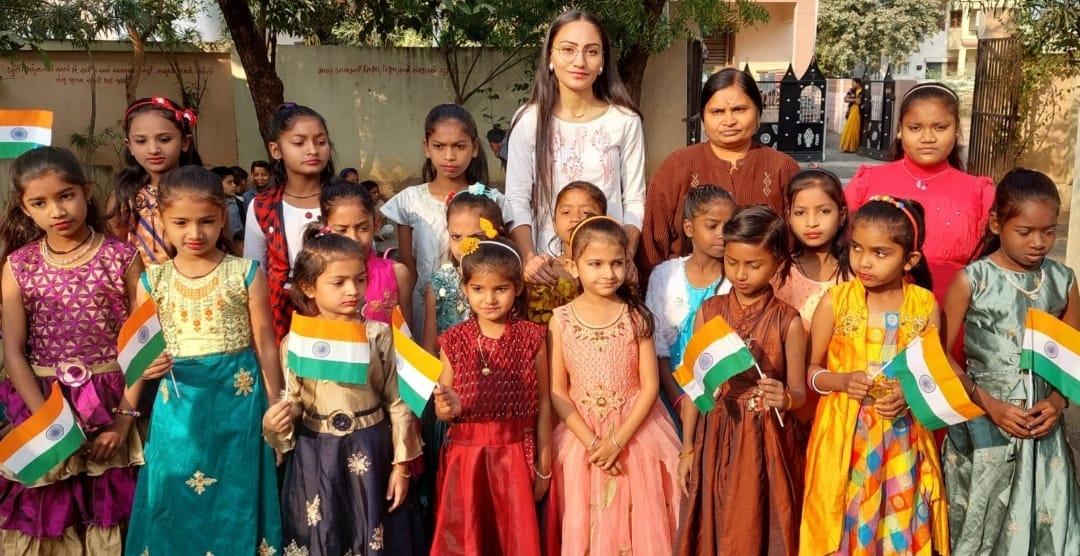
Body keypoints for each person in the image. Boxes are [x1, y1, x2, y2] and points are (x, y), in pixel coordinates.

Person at [124, 166, 282, 554]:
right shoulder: (152, 281)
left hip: (238, 401)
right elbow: (139, 350)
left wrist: (276, 408)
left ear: (224, 217)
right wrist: (142, 378)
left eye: (207, 221)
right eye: (181, 222)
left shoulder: (245, 272)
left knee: (236, 490)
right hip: (177, 406)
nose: (194, 234)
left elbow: (265, 343)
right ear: (162, 219)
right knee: (174, 491)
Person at [0, 147, 144, 553]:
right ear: (25, 210)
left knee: (111, 505)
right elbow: (13, 351)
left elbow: (144, 347)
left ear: (86, 192)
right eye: (39, 203)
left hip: (114, 399)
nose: (56, 210)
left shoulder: (122, 257)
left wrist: (124, 420)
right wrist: (47, 420)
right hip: (43, 400)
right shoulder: (18, 265)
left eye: (66, 195)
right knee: (49, 508)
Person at [942, 169, 1080, 555]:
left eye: (1049, 231)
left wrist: (1057, 403)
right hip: (985, 421)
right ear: (996, 224)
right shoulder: (973, 279)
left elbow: (1073, 357)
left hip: (1042, 428)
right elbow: (938, 356)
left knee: (1046, 518)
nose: (1039, 242)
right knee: (985, 519)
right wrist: (990, 404)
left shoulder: (1063, 280)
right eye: (1025, 231)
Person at [801, 196, 948, 555]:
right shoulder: (835, 301)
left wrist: (909, 393)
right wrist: (840, 381)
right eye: (856, 248)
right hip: (847, 437)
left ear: (910, 260)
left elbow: (934, 374)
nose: (863, 262)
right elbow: (810, 371)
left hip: (903, 439)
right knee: (846, 521)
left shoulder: (925, 305)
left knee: (900, 524)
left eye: (880, 253)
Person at [262, 231, 422, 555]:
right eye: (339, 283)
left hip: (370, 449)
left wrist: (401, 466)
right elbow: (293, 398)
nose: (353, 291)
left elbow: (399, 401)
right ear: (308, 287)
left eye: (360, 280)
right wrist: (274, 423)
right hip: (316, 453)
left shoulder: (378, 335)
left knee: (373, 530)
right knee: (323, 532)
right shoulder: (297, 342)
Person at [675, 206, 807, 555]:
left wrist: (786, 397)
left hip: (763, 440)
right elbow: (694, 384)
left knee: (753, 525)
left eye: (753, 264)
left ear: (777, 263)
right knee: (711, 518)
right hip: (715, 431)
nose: (741, 274)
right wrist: (687, 449)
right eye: (732, 263)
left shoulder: (787, 321)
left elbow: (799, 392)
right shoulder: (711, 311)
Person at [548, 216, 681, 554]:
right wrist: (594, 442)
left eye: (616, 263)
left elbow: (650, 386)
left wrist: (617, 440)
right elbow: (557, 391)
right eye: (595, 264)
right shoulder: (560, 319)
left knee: (642, 522)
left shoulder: (636, 317)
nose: (608, 273)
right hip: (582, 439)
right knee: (587, 523)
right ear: (572, 266)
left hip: (636, 433)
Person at [505, 9, 646, 286]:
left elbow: (634, 199)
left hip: (606, 271)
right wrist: (530, 257)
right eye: (568, 49)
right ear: (550, 57)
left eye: (591, 51)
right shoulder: (529, 119)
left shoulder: (625, 120)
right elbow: (517, 199)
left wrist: (624, 256)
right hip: (547, 271)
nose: (579, 61)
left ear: (603, 60)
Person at [430, 238, 551, 556]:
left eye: (501, 289)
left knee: (514, 538)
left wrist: (544, 465)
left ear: (518, 288)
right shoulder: (453, 340)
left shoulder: (532, 336)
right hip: (467, 458)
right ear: (465, 289)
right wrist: (447, 408)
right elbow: (444, 409)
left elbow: (545, 403)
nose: (490, 299)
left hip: (515, 455)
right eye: (479, 289)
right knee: (471, 535)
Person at [639, 69, 801, 279]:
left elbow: (797, 243)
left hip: (766, 295)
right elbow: (652, 243)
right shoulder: (676, 167)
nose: (729, 120)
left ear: (758, 113)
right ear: (703, 118)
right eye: (717, 112)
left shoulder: (783, 168)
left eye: (739, 109)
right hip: (686, 297)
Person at [844, 82, 995, 306]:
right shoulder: (868, 182)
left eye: (940, 127)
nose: (927, 138)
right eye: (915, 128)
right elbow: (842, 248)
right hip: (873, 316)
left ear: (956, 130)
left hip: (955, 317)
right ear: (899, 130)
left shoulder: (979, 191)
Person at [381, 104, 511, 334]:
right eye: (439, 146)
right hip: (424, 307)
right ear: (426, 147)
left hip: (481, 304)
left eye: (459, 146)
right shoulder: (409, 201)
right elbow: (408, 269)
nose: (449, 156)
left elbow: (503, 258)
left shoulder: (492, 200)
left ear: (474, 148)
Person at [245, 103, 335, 343]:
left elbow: (367, 262)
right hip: (282, 319)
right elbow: (255, 274)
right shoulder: (262, 207)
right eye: (299, 143)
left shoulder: (346, 201)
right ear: (276, 150)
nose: (312, 150)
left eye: (320, 141)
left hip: (340, 314)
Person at [645, 185, 734, 417]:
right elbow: (658, 347)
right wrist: (678, 399)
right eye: (712, 226)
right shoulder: (664, 276)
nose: (722, 234)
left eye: (730, 226)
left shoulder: (736, 281)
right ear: (689, 228)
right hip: (670, 394)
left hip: (720, 400)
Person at [775, 169, 851, 424]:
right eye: (800, 213)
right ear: (788, 216)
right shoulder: (778, 274)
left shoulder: (856, 277)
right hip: (787, 398)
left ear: (841, 215)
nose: (811, 222)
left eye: (823, 211)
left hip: (842, 400)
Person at [106, 96, 203, 267]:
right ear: (130, 147)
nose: (153, 149)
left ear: (185, 142)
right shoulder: (125, 198)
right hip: (142, 290)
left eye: (164, 139)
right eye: (141, 141)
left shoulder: (204, 192)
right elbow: (115, 257)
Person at [318, 179, 412, 326]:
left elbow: (406, 334)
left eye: (362, 228)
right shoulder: (318, 275)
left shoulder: (397, 273)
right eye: (342, 230)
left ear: (376, 224)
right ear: (326, 227)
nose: (353, 238)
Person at [525, 181, 605, 324]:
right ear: (555, 224)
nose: (575, 218)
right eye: (566, 212)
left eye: (587, 212)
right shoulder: (545, 273)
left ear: (602, 221)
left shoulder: (612, 270)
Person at [211, 165, 244, 250]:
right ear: (217, 183)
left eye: (234, 182)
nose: (234, 185)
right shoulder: (210, 206)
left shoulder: (238, 202)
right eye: (229, 182)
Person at [839, 78, 863, 153]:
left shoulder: (863, 91)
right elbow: (845, 99)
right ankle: (847, 147)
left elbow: (861, 102)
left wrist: (855, 100)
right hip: (851, 111)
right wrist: (855, 100)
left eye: (854, 83)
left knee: (856, 130)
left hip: (859, 112)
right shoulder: (851, 90)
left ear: (858, 83)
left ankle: (855, 147)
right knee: (849, 128)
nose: (852, 84)